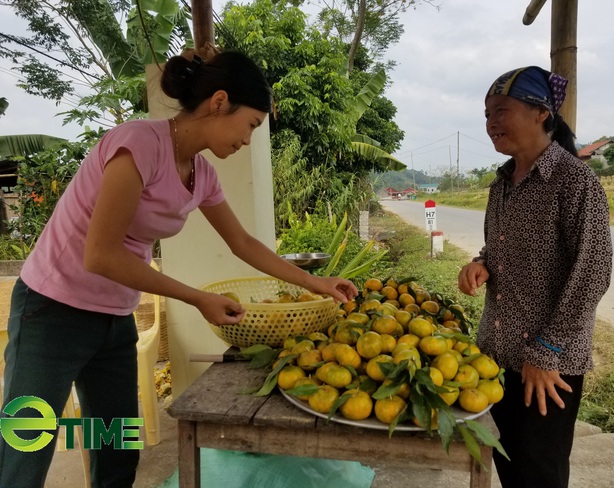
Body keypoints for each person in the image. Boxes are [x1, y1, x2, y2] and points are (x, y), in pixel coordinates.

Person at [0, 44, 358, 487]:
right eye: (250, 125)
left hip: (113, 318)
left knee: (115, 451)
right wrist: (197, 298)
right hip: (51, 310)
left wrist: (314, 281)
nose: (247, 139)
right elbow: (102, 255)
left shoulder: (201, 174)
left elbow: (242, 242)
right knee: (25, 450)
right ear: (220, 101)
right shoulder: (138, 144)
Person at [457, 66, 612, 488]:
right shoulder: (501, 184)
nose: (491, 124)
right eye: (487, 114)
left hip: (548, 364)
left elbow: (593, 272)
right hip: (497, 353)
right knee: (507, 461)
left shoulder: (575, 181)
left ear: (541, 113)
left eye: (501, 111)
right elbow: (497, 250)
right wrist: (480, 265)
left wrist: (546, 351)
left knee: (539, 472)